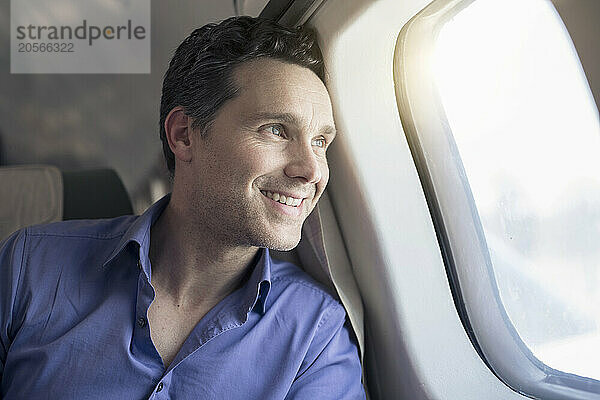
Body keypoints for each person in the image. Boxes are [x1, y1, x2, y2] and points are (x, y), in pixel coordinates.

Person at [0, 16, 365, 399]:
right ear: (184, 135)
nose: (312, 171)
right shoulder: (29, 266)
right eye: (276, 130)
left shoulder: (317, 337)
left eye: (321, 141)